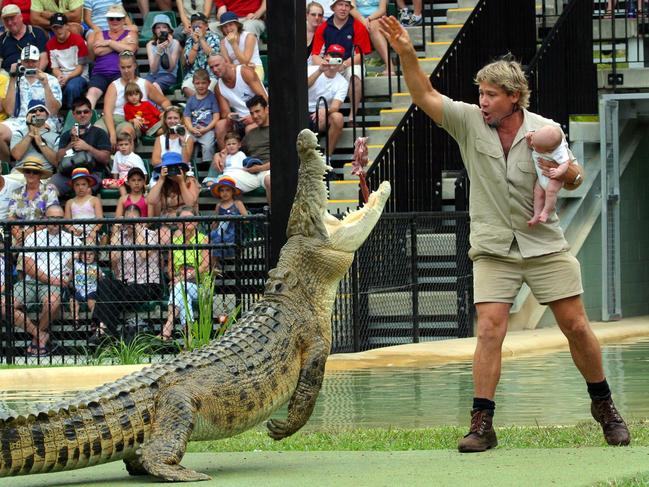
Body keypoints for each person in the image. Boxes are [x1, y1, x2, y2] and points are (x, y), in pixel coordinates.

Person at [377, 15, 628, 452]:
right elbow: (424, 93)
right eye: (481, 93)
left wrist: (565, 171)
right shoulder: (469, 121)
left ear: (514, 98)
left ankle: (604, 405)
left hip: (545, 243)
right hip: (494, 247)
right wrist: (405, 53)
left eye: (491, 94)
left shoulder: (543, 128)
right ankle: (482, 423)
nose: (483, 100)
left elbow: (575, 176)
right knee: (490, 329)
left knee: (576, 325)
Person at [13, 204, 77, 356]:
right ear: (45, 219)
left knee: (52, 303)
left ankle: (36, 339)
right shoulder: (33, 237)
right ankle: (40, 335)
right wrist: (50, 279)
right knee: (4, 304)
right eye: (52, 218)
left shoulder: (72, 240)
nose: (55, 222)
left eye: (59, 219)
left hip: (56, 284)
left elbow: (74, 266)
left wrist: (68, 276)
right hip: (30, 282)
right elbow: (28, 265)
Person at [93, 203, 164, 339]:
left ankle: (103, 329)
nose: (130, 223)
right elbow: (112, 260)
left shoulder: (151, 235)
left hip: (148, 285)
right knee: (105, 284)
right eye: (127, 219)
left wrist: (138, 230)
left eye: (134, 219)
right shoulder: (121, 236)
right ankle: (106, 328)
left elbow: (143, 254)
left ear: (140, 219)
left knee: (109, 296)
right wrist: (115, 233)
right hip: (125, 285)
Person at [94, 49, 171, 149]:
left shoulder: (144, 84)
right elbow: (107, 112)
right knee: (96, 131)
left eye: (129, 67)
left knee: (126, 133)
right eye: (123, 67)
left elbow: (164, 101)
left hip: (130, 121)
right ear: (119, 67)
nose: (126, 70)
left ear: (135, 65)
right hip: (112, 118)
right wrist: (112, 133)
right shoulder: (114, 86)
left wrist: (168, 112)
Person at [311, 0, 372, 123]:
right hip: (328, 65)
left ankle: (352, 116)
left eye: (347, 5)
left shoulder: (357, 26)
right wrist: (326, 65)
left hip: (349, 64)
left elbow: (361, 55)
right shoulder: (323, 28)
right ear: (333, 7)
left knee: (355, 75)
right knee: (315, 72)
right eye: (340, 5)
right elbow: (315, 56)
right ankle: (317, 114)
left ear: (350, 8)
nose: (343, 8)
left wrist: (343, 65)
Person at [160, 205, 209, 341]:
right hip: (180, 285)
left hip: (200, 286)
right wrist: (175, 278)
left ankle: (168, 327)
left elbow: (205, 266)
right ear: (177, 223)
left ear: (196, 222)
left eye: (189, 219)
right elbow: (170, 269)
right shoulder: (174, 242)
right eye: (182, 219)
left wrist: (185, 277)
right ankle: (189, 335)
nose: (186, 222)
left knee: (181, 287)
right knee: (182, 293)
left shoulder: (203, 240)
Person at [212, 94, 270, 201]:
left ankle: (274, 216)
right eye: (252, 113)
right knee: (225, 183)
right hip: (250, 173)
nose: (255, 116)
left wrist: (261, 168)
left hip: (268, 170)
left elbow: (282, 161)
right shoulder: (251, 134)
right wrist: (217, 155)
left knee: (269, 180)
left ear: (266, 109)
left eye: (258, 111)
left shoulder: (277, 130)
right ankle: (235, 216)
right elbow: (232, 149)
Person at [1, 44, 62, 142]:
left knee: (36, 133)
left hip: (44, 121)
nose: (30, 64)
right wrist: (12, 78)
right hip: (19, 121)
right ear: (20, 62)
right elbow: (9, 111)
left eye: (33, 61)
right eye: (26, 61)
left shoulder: (51, 80)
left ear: (39, 61)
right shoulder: (15, 79)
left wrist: (45, 85)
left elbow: (53, 111)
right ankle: (7, 158)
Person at [54, 96, 111, 195]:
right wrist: (71, 144)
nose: (82, 115)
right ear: (74, 114)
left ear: (91, 113)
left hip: (92, 174)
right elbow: (58, 159)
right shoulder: (67, 134)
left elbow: (105, 159)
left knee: (84, 192)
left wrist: (88, 148)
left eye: (86, 112)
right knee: (50, 190)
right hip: (68, 174)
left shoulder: (99, 133)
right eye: (79, 112)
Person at [209, 53, 267, 148]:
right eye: (211, 67)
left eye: (217, 65)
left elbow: (264, 99)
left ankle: (253, 159)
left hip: (259, 114)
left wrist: (252, 117)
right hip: (240, 120)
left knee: (250, 129)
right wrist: (229, 116)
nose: (214, 69)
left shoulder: (245, 72)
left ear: (226, 62)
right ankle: (227, 157)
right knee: (220, 125)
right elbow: (225, 113)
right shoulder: (218, 87)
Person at [85, 5, 138, 109]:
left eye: (118, 18)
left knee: (120, 95)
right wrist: (121, 44)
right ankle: (85, 121)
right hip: (100, 73)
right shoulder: (100, 33)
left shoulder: (131, 33)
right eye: (111, 18)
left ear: (124, 20)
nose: (114, 21)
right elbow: (98, 51)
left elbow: (130, 50)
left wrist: (108, 42)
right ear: (107, 20)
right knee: (91, 93)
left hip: (122, 73)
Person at [525, 125, 572, 226]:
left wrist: (558, 171)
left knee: (550, 192)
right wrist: (529, 139)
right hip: (542, 176)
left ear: (549, 151)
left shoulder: (559, 151)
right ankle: (537, 214)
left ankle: (546, 211)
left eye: (535, 146)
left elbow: (566, 163)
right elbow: (531, 145)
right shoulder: (539, 139)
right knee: (538, 193)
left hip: (554, 178)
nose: (532, 144)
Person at [308, 44, 349, 156]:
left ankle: (327, 157)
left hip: (321, 115)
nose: (334, 62)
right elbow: (303, 87)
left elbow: (336, 106)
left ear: (341, 62)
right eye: (332, 57)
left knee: (338, 118)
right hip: (302, 109)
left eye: (338, 58)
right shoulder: (312, 69)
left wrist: (325, 111)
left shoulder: (342, 82)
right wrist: (320, 71)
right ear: (326, 57)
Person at [7, 157, 58, 244]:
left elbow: (52, 217)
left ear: (40, 175)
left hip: (43, 235)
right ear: (24, 174)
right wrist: (17, 233)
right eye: (28, 171)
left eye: (35, 172)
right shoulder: (16, 193)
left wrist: (28, 233)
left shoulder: (49, 192)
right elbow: (11, 217)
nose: (31, 174)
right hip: (19, 235)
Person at [45, 13, 89, 109]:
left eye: (60, 27)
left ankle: (71, 116)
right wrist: (60, 76)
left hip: (79, 76)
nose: (58, 30)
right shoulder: (50, 44)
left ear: (67, 26)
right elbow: (54, 68)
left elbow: (80, 68)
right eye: (55, 28)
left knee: (72, 87)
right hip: (62, 76)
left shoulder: (79, 41)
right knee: (48, 86)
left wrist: (67, 77)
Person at [9, 99, 59, 174]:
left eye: (41, 110)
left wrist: (40, 143)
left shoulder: (56, 137)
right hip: (19, 173)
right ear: (28, 116)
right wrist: (30, 133)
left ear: (47, 115)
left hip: (43, 175)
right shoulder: (18, 133)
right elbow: (17, 155)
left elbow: (56, 162)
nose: (38, 113)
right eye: (33, 111)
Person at [183, 68, 219, 165]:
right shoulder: (191, 99)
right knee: (185, 140)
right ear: (193, 83)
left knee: (208, 146)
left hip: (207, 129)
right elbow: (186, 116)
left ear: (209, 83)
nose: (201, 86)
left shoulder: (212, 98)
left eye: (203, 83)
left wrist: (206, 129)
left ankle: (207, 166)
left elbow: (216, 116)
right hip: (193, 129)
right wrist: (191, 128)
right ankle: (186, 164)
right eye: (197, 83)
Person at [209, 175, 247, 268]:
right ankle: (213, 265)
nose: (224, 193)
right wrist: (212, 227)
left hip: (235, 231)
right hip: (221, 230)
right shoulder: (219, 205)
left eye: (227, 190)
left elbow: (246, 219)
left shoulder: (238, 203)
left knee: (219, 239)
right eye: (222, 190)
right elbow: (215, 221)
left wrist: (235, 218)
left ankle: (215, 265)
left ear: (232, 192)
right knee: (212, 236)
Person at [147, 151, 199, 217]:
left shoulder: (190, 181)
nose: (172, 170)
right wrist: (161, 179)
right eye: (169, 167)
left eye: (175, 167)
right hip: (167, 222)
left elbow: (190, 203)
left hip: (186, 222)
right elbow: (151, 201)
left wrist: (181, 182)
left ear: (181, 169)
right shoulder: (162, 183)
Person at [0, 4, 48, 73]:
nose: (9, 23)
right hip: (9, 76)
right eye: (6, 20)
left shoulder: (36, 33)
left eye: (12, 18)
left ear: (21, 17)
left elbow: (44, 59)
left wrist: (35, 76)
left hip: (33, 74)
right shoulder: (2, 39)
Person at [182, 12, 220, 98]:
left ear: (206, 26)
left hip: (211, 74)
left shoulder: (214, 37)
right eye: (194, 25)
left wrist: (201, 39)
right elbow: (190, 61)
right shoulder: (189, 41)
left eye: (199, 25)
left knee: (209, 89)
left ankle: (200, 106)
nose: (197, 27)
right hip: (194, 74)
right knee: (186, 88)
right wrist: (196, 42)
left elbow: (212, 55)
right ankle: (201, 105)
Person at [218, 11, 264, 82]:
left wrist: (233, 43)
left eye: (231, 24)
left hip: (255, 68)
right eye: (225, 26)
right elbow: (228, 65)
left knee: (249, 80)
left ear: (237, 25)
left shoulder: (249, 36)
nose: (228, 29)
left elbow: (245, 61)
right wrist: (241, 67)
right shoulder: (223, 42)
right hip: (236, 71)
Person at [350, 0, 391, 75]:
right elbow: (352, 8)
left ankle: (389, 66)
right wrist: (363, 20)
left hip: (378, 18)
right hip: (358, 19)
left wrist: (369, 19)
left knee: (373, 26)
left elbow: (382, 9)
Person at [64, 166, 103, 242]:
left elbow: (100, 220)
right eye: (77, 185)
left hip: (91, 234)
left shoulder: (94, 200)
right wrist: (73, 231)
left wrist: (93, 231)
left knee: (89, 243)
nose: (80, 187)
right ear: (73, 186)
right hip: (75, 234)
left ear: (88, 185)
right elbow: (66, 222)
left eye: (83, 184)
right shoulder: (69, 202)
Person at [150, 106, 193, 174]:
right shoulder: (160, 139)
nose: (172, 121)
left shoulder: (188, 138)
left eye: (175, 118)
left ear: (180, 120)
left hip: (183, 171)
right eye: (169, 118)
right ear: (165, 120)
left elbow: (185, 161)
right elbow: (155, 161)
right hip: (164, 171)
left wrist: (183, 141)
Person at [145, 14, 182, 94]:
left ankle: (159, 106)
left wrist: (167, 48)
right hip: (153, 75)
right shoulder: (150, 44)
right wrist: (158, 51)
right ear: (154, 30)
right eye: (158, 27)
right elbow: (153, 70)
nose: (161, 30)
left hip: (168, 75)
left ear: (169, 30)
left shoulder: (175, 43)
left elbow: (170, 69)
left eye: (164, 27)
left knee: (155, 86)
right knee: (142, 86)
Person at [69, 248, 102, 321]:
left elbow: (100, 279)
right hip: (78, 290)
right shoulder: (76, 264)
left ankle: (95, 319)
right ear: (80, 255)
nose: (88, 256)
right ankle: (75, 318)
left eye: (91, 254)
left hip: (91, 290)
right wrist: (73, 257)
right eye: (85, 254)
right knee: (73, 301)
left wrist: (99, 275)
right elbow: (69, 270)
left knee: (92, 302)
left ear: (95, 256)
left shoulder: (96, 266)